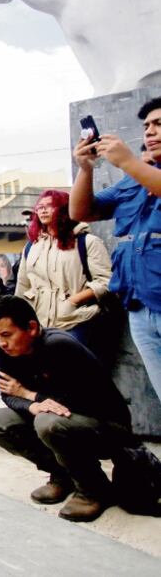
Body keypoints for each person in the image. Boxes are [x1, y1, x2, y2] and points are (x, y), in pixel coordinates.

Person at [0, 296, 134, 522]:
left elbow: (79, 401)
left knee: (47, 422)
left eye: (7, 335)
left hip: (106, 425)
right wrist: (32, 404)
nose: (1, 343)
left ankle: (93, 489)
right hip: (63, 419)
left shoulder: (59, 345)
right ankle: (63, 475)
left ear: (31, 328)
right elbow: (8, 394)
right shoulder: (6, 350)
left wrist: (30, 395)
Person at [69, 96, 161, 399]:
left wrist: (128, 161)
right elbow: (82, 212)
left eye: (159, 124)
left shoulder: (136, 168)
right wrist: (86, 169)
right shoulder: (134, 179)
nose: (150, 131)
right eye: (147, 125)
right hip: (141, 306)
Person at [16, 189, 112, 355]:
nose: (43, 210)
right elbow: (23, 285)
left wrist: (73, 301)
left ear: (64, 209)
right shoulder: (32, 246)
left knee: (73, 375)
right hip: (40, 325)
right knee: (46, 376)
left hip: (77, 321)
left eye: (50, 206)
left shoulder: (87, 241)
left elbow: (107, 281)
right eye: (40, 207)